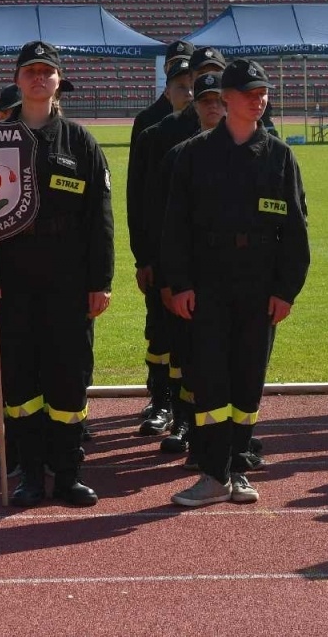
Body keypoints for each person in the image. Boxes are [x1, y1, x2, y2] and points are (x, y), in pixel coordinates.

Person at [0, 41, 113, 507]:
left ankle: (66, 475)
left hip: (67, 282)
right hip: (11, 281)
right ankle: (28, 474)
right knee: (20, 384)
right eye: (31, 72)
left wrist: (100, 282)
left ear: (58, 81)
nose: (39, 79)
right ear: (18, 79)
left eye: (47, 72)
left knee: (68, 381)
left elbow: (99, 218)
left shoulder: (81, 142)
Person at [163, 60, 309, 508]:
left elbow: (296, 229)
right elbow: (175, 227)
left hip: (259, 284)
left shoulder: (279, 155)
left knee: (249, 379)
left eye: (262, 91)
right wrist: (180, 284)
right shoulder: (194, 154)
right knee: (210, 380)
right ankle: (211, 473)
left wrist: (286, 290)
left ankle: (238, 467)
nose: (258, 98)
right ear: (225, 99)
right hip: (208, 282)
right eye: (248, 92)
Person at [136, 45, 228, 455]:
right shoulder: (158, 132)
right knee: (168, 333)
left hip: (224, 264)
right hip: (173, 259)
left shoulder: (246, 128)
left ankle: (213, 426)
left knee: (212, 345)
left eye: (211, 79)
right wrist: (148, 258)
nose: (198, 90)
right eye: (191, 81)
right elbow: (144, 204)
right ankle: (166, 404)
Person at [127, 52, 194, 435]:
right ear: (167, 88)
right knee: (160, 329)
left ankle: (187, 407)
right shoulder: (151, 128)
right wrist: (144, 256)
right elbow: (139, 199)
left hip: (197, 255)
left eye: (194, 84)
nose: (188, 92)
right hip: (160, 250)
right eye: (181, 85)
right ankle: (160, 398)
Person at [130, 40, 195, 146]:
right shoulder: (146, 119)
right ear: (165, 69)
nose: (180, 66)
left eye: (186, 62)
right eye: (174, 63)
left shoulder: (205, 116)